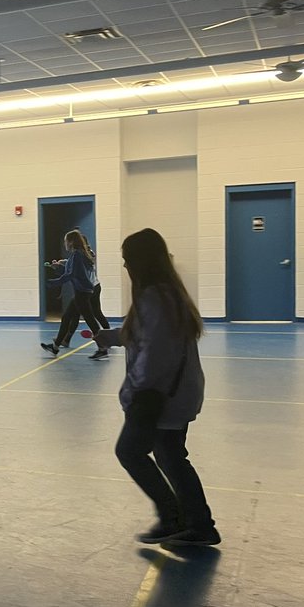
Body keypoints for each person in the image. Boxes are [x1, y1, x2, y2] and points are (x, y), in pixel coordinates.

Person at [94, 228, 219, 547]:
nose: (125, 266)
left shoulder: (155, 298)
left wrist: (133, 394)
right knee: (170, 456)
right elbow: (146, 335)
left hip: (162, 395)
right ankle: (196, 524)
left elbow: (155, 354)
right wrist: (112, 337)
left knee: (131, 451)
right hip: (175, 391)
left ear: (141, 261)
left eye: (127, 259)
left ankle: (174, 517)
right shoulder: (165, 294)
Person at [42, 230, 111, 360]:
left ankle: (103, 348)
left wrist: (52, 283)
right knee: (68, 317)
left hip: (83, 292)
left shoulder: (77, 255)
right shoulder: (80, 254)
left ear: (71, 242)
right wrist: (59, 267)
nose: (65, 244)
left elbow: (70, 275)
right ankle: (56, 346)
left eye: (66, 241)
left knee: (90, 319)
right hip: (84, 291)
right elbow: (73, 271)